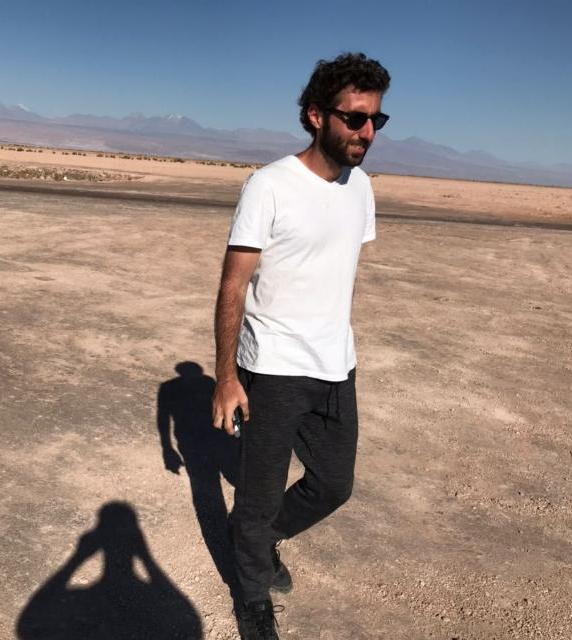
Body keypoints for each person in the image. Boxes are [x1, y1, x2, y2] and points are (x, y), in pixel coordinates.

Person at [212, 52, 390, 640]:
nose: (367, 132)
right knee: (259, 496)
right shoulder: (269, 186)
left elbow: (338, 270)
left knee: (334, 484)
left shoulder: (361, 188)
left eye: (376, 120)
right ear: (316, 115)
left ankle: (260, 538)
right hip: (274, 368)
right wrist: (226, 378)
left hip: (337, 364)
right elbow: (233, 284)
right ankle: (252, 597)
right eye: (355, 118)